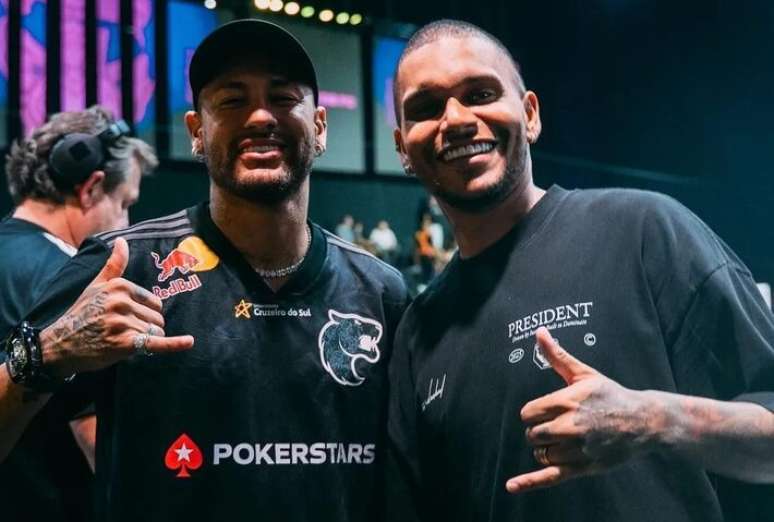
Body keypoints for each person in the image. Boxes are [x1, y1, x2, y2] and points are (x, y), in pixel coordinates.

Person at [0, 19, 407, 522]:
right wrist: (47, 352)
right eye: (232, 101)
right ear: (197, 131)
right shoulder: (121, 266)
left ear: (320, 126)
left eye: (282, 98)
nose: (261, 116)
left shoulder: (380, 291)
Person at [385, 19, 774, 522]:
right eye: (426, 107)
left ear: (530, 115)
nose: (456, 119)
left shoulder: (643, 232)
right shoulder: (418, 332)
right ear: (403, 148)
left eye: (480, 93)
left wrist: (655, 420)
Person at [0, 106, 156, 521]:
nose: (127, 221)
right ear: (91, 188)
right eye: (125, 203)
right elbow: (97, 437)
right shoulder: (72, 281)